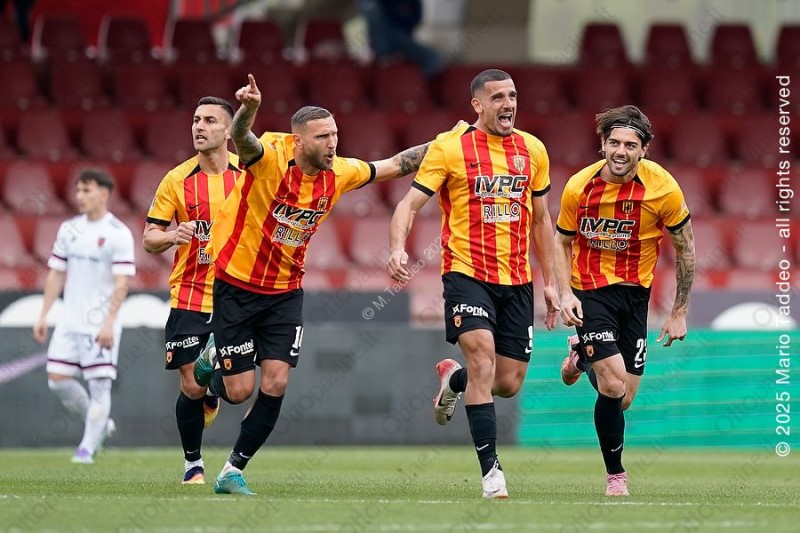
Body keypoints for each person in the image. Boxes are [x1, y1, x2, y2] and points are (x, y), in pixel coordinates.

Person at [192, 74, 434, 495]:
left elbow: (396, 165)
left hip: (286, 292)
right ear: (299, 141)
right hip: (238, 284)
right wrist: (249, 108)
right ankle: (215, 368)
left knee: (276, 383)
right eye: (323, 137)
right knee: (239, 391)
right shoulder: (270, 159)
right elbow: (242, 138)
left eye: (335, 134)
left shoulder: (339, 171)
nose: (333, 143)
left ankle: (232, 470)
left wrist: (449, 143)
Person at [386, 69, 560, 499]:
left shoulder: (533, 149)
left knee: (507, 383)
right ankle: (492, 474)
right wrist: (397, 248)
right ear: (477, 105)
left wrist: (552, 283)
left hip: (517, 280)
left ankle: (455, 380)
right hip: (467, 275)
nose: (508, 104)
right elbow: (408, 205)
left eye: (512, 95)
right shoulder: (450, 148)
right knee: (483, 362)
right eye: (497, 97)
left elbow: (541, 221)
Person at [554, 105, 695, 496]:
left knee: (624, 398)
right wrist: (564, 293)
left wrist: (679, 311)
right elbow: (562, 241)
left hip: (635, 294)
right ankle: (616, 476)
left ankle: (582, 357)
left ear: (644, 150)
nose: (620, 151)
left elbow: (686, 249)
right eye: (614, 142)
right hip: (590, 290)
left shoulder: (663, 188)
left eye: (630, 145)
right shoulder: (578, 187)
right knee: (613, 384)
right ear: (602, 144)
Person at [143, 96, 243, 485]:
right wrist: (172, 235)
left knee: (236, 390)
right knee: (189, 384)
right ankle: (193, 466)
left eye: (210, 121)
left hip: (238, 294)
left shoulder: (248, 174)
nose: (199, 126)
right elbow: (149, 237)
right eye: (196, 119)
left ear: (229, 131)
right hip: (189, 293)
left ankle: (215, 391)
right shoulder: (177, 179)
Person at [33, 169, 135, 464]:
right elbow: (56, 273)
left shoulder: (117, 233)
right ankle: (100, 422)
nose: (80, 196)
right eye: (78, 190)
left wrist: (109, 322)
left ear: (104, 193)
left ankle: (87, 448)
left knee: (99, 384)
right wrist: (43, 314)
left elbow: (122, 283)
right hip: (69, 319)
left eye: (86, 190)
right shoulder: (68, 229)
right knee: (57, 379)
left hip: (99, 323)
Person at [358, 0, 443, 78]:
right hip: (383, 47)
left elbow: (414, 18)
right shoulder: (376, 9)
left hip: (403, 40)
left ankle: (412, 82)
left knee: (434, 59)